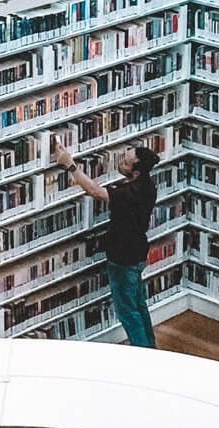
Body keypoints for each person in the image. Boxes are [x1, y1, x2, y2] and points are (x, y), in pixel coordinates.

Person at [52, 140, 160, 347]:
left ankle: (143, 354)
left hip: (123, 258)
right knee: (138, 305)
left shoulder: (130, 194)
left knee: (128, 312)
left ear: (135, 172)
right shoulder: (147, 185)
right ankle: (151, 349)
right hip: (137, 254)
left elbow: (95, 192)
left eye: (126, 163)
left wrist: (70, 165)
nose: (120, 163)